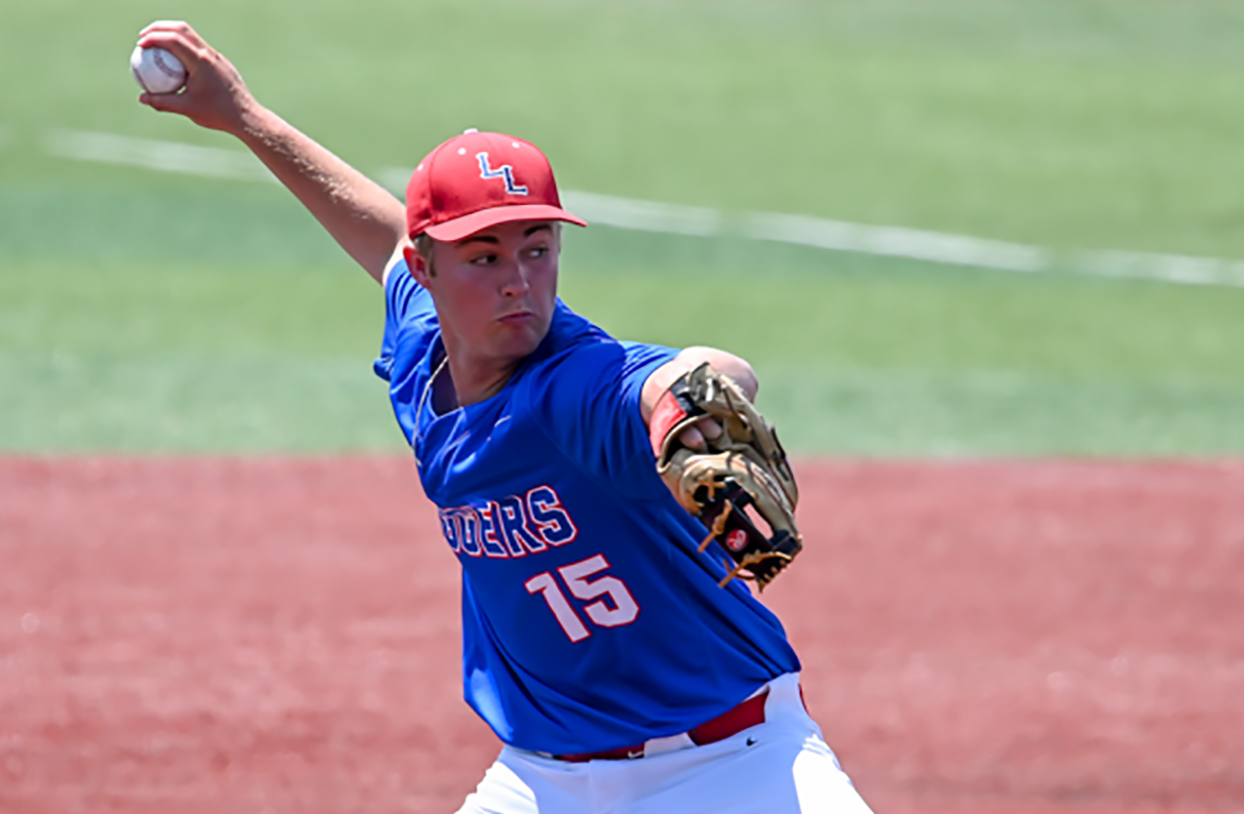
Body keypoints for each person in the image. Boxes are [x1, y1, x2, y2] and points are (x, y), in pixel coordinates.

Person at [136, 21, 873, 814]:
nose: (518, 281)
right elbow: (381, 231)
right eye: (485, 257)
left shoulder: (571, 389)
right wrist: (241, 113)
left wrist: (687, 405)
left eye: (536, 248)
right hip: (542, 778)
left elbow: (692, 375)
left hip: (734, 765)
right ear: (429, 270)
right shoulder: (423, 350)